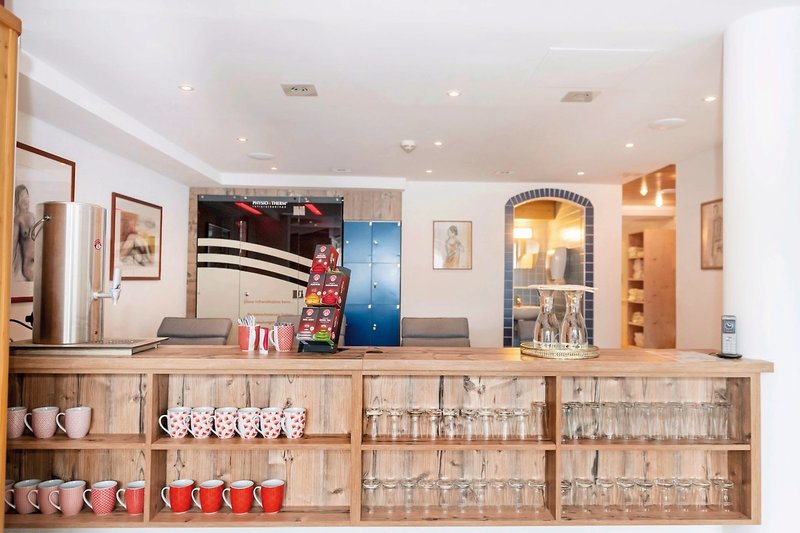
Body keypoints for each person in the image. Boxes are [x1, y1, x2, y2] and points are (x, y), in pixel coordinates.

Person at [12, 184, 35, 281]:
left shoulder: (32, 216)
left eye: (26, 195)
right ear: (17, 201)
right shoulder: (18, 220)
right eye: (21, 196)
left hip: (38, 262)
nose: (25, 199)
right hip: (28, 267)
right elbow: (13, 247)